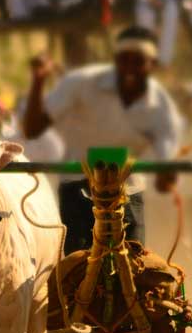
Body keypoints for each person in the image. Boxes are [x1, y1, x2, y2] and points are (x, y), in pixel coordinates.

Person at [23, 26, 182, 253]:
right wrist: (38, 81)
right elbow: (33, 128)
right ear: (115, 60)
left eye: (138, 61)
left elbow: (166, 159)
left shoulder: (159, 103)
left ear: (152, 65)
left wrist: (167, 173)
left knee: (136, 266)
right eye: (123, 60)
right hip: (78, 186)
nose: (129, 68)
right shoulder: (81, 83)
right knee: (75, 268)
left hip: (129, 189)